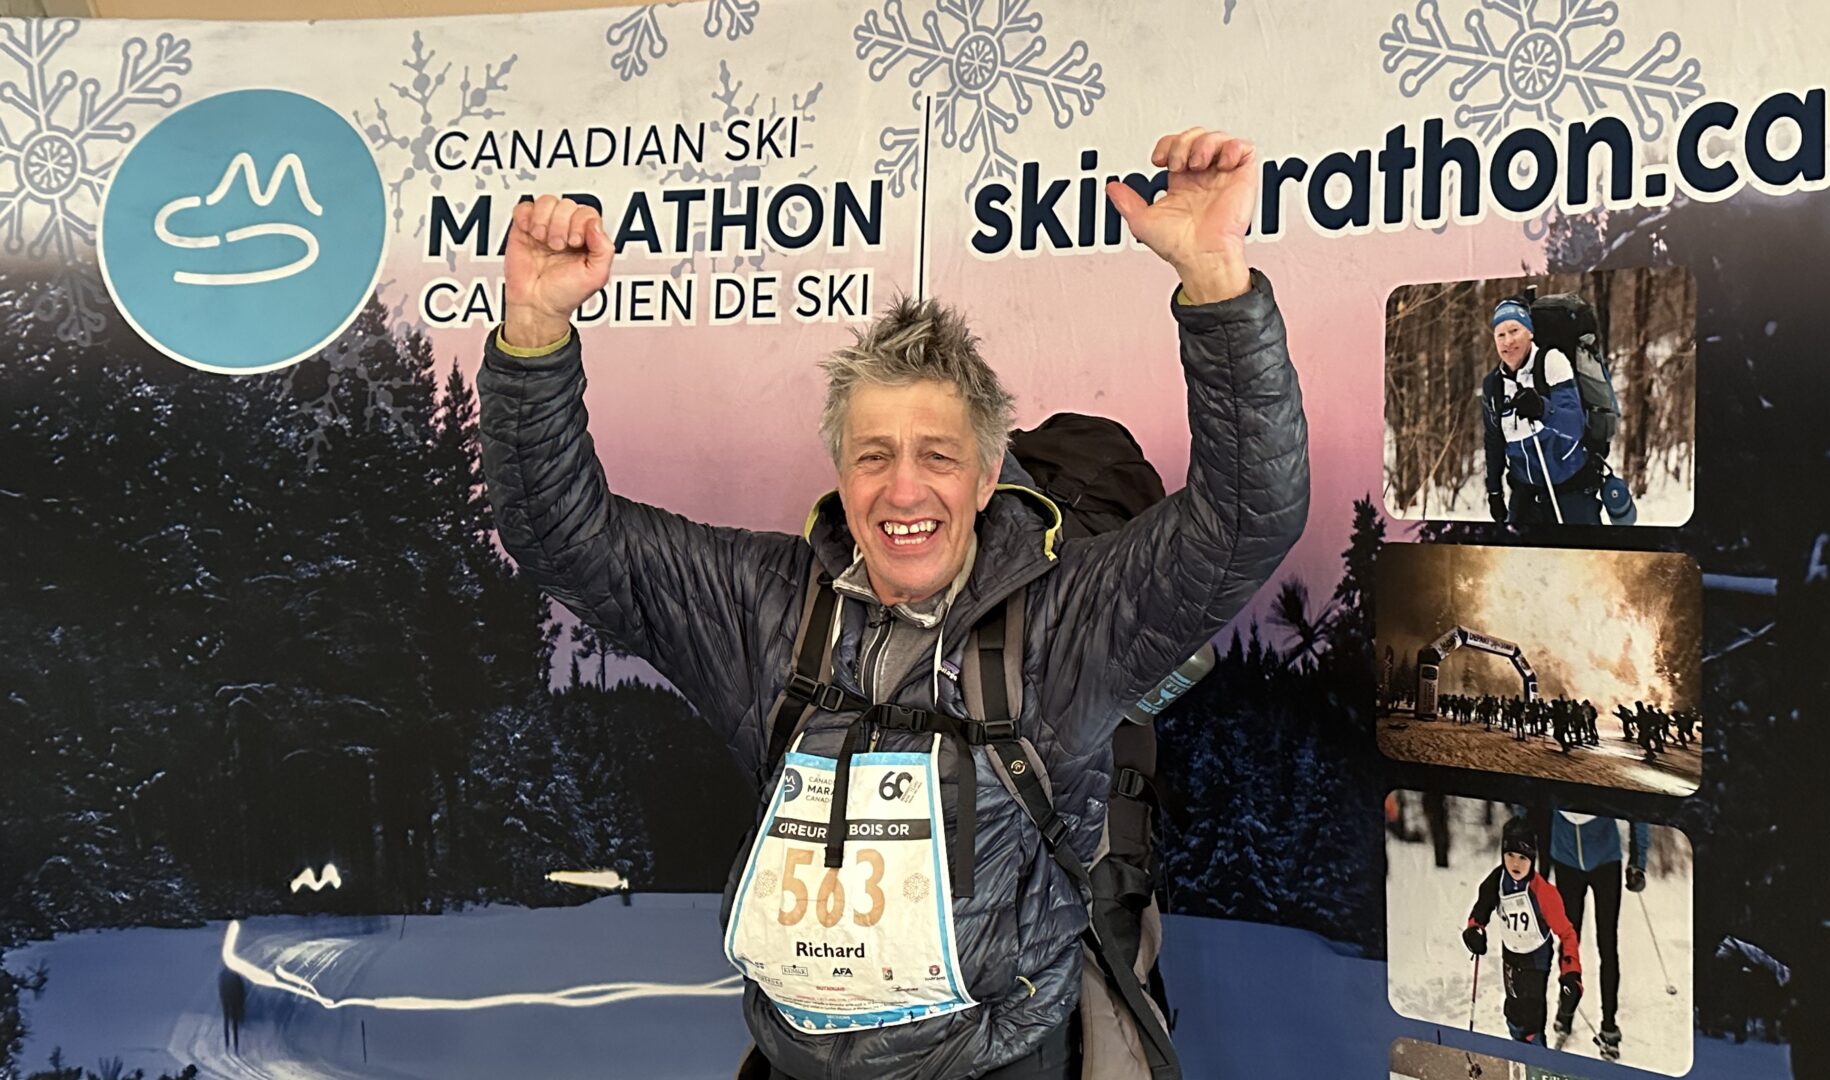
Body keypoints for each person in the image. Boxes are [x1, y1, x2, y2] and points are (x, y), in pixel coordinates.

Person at [475, 128, 1309, 1080]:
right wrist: (535, 335)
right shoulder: (767, 607)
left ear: (990, 472)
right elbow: (559, 536)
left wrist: (1216, 283)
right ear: (840, 468)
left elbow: (1248, 516)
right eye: (874, 454)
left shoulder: (1064, 621)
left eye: (938, 456)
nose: (903, 492)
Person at [1525, 806, 1650, 1055]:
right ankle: (1566, 1011)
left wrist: (1638, 862)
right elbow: (1529, 800)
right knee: (1569, 940)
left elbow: (1638, 808)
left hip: (1606, 860)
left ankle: (1609, 1026)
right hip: (1565, 858)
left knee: (1607, 944)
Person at [1480, 298, 1602, 524]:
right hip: (1525, 495)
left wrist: (1542, 409)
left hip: (1570, 490)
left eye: (1514, 330)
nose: (1508, 341)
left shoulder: (1551, 361)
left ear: (1530, 333)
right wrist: (1494, 492)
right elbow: (1494, 441)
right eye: (1501, 334)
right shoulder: (1493, 385)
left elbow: (1575, 425)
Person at [1462, 818, 1583, 1045]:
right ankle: (1519, 1049)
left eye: (1523, 858)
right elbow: (1482, 908)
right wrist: (1474, 930)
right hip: (1511, 953)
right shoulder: (1497, 880)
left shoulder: (1545, 894)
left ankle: (1537, 1055)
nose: (1515, 863)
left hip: (1536, 958)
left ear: (1533, 859)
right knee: (1514, 1012)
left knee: (1532, 1016)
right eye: (1510, 855)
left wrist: (1571, 974)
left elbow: (1567, 934)